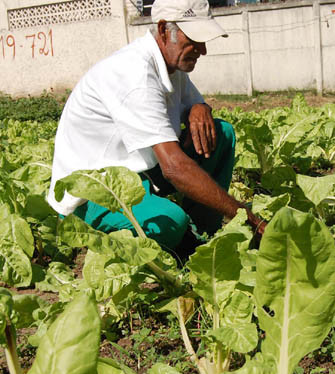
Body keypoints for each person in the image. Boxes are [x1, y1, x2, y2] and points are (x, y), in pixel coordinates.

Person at [46, 0, 265, 255]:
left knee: (221, 133)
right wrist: (248, 218)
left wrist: (199, 107)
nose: (203, 50)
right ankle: (95, 229)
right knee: (170, 223)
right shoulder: (134, 75)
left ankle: (201, 237)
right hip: (94, 192)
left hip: (138, 175)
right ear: (163, 30)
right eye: (195, 38)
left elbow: (194, 102)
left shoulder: (172, 63)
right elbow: (174, 168)